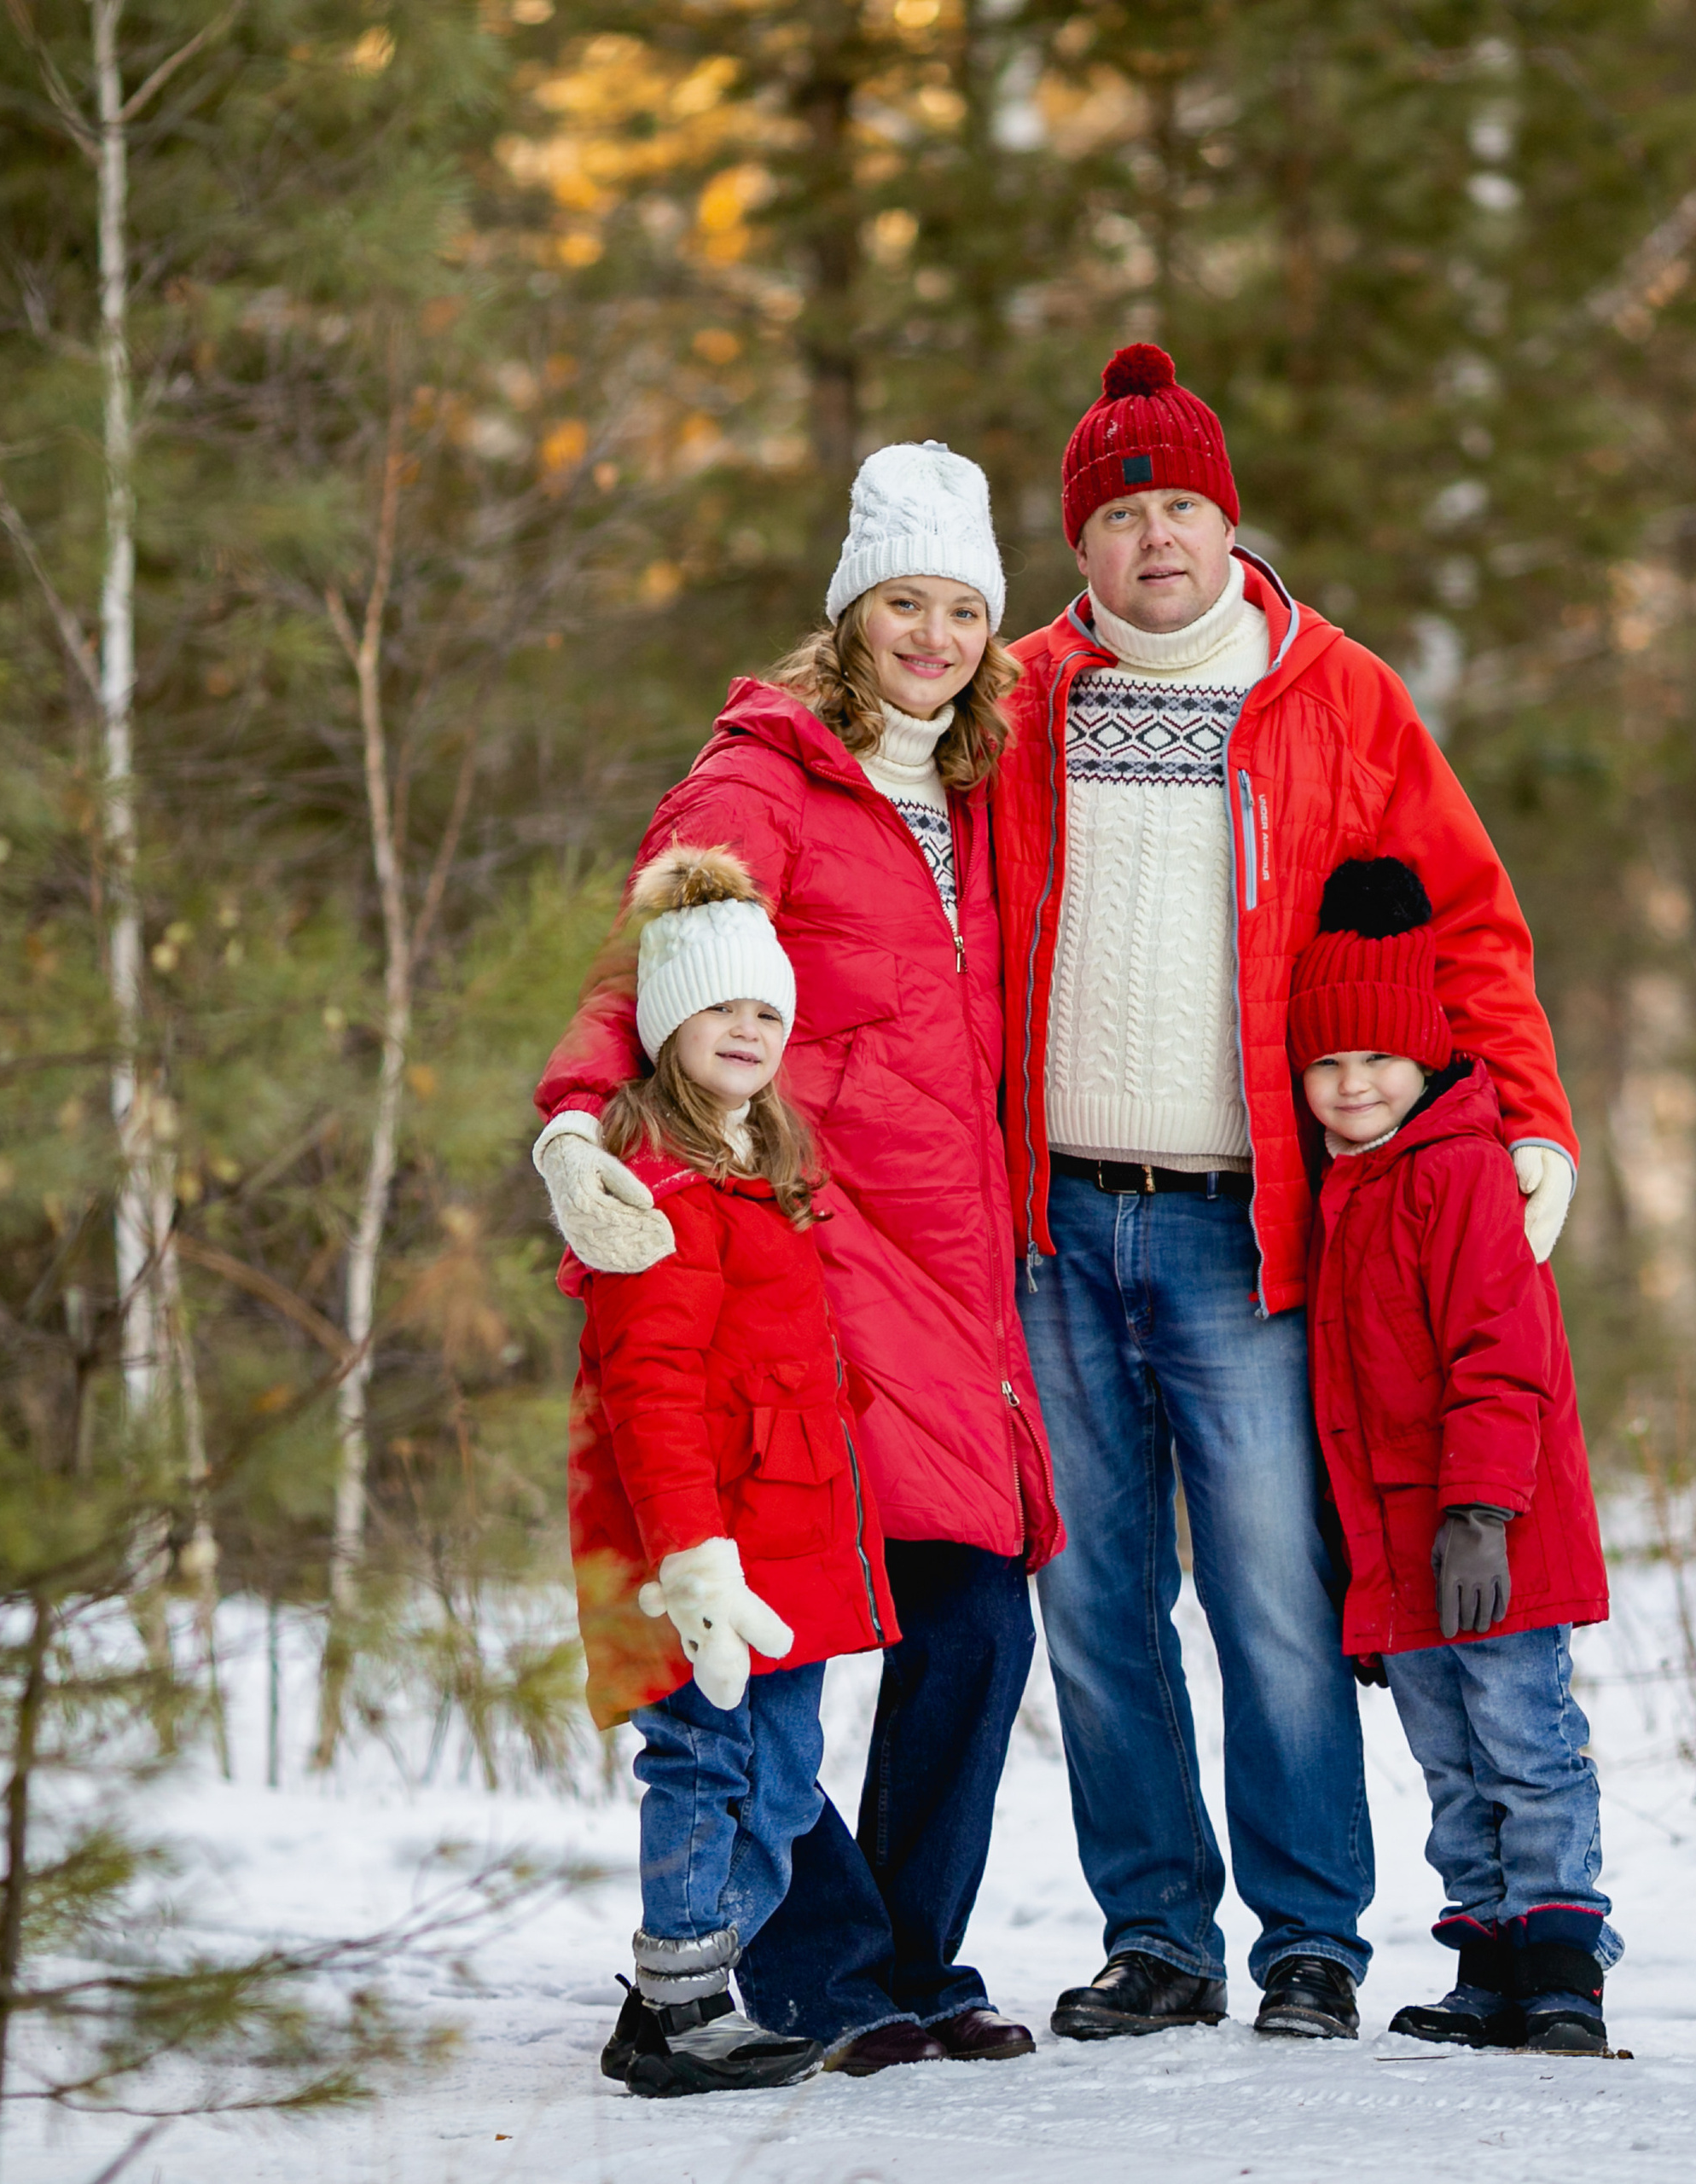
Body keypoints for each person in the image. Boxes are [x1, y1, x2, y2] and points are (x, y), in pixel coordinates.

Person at [994, 343, 1580, 2041]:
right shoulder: (1015, 700)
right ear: (1080, 545)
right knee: (1096, 1602)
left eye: (1180, 507)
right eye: (1120, 518)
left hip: (1243, 1221)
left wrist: (1525, 1119)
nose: (1153, 540)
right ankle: (1155, 1934)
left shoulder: (1336, 692)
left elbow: (1463, 924)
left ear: (1226, 521)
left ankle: (1310, 1938)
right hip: (1050, 1219)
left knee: (1272, 1589)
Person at [532, 443, 1060, 2071]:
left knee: (972, 1622)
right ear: (850, 614)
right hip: (808, 1253)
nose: (934, 637)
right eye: (904, 603)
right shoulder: (768, 773)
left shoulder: (986, 781)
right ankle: (829, 1968)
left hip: (956, 1267)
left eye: (963, 608)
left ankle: (903, 1957)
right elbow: (657, 942)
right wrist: (578, 1118)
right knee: (799, 1623)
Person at [564, 844, 900, 2099]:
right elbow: (648, 1395)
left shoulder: (769, 1174)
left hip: (786, 1545)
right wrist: (693, 1562)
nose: (749, 1030)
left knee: (781, 1778)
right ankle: (682, 2004)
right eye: (719, 1009)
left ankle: (678, 1994)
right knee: (707, 1765)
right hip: (706, 1558)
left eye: (767, 1010)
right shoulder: (655, 1192)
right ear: (666, 1029)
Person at [1292, 855, 1617, 2054]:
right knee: (1449, 1763)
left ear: (1425, 1057)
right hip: (1405, 1555)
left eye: (1377, 1057)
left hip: (1496, 1535)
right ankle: (1488, 1960)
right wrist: (1367, 1578)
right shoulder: (1341, 1193)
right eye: (1327, 1062)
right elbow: (1343, 1412)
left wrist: (1480, 1514)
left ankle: (1562, 1965)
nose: (1353, 1083)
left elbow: (1500, 1355)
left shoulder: (1461, 1173)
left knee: (1526, 1746)